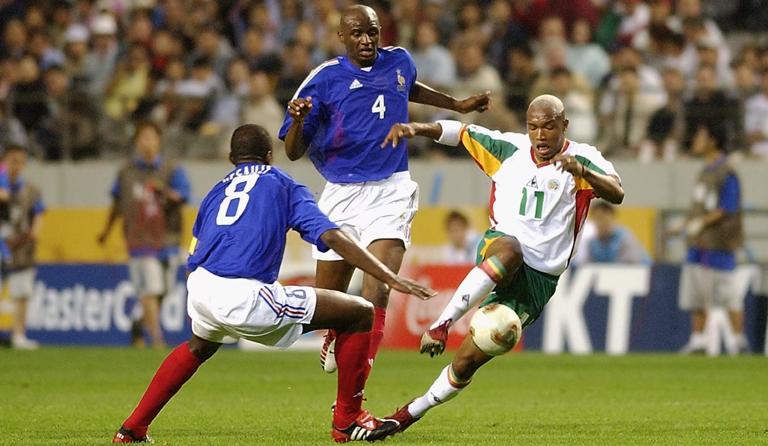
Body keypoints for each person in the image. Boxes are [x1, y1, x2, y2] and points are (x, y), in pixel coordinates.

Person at [111, 124, 436, 443]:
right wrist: (388, 276)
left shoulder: (216, 192)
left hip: (200, 287)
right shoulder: (282, 184)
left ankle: (132, 429)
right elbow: (333, 236)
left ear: (231, 158)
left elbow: (194, 251)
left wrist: (208, 301)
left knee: (199, 346)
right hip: (244, 296)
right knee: (360, 311)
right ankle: (348, 420)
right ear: (270, 155)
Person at [277, 5, 490, 442]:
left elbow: (408, 87)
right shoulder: (323, 80)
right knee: (331, 300)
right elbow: (293, 152)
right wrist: (298, 120)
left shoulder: (399, 60)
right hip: (340, 193)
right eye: (357, 34)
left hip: (391, 187)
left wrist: (457, 105)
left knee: (377, 290)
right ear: (341, 37)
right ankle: (335, 335)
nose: (366, 40)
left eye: (372, 32)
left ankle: (349, 409)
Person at [375, 94, 624, 437]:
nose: (540, 135)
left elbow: (617, 192)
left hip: (538, 280)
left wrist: (581, 171)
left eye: (549, 126)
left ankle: (408, 414)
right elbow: (460, 133)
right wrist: (417, 127)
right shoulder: (510, 151)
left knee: (467, 361)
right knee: (511, 251)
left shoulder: (583, 159)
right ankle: (441, 322)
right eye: (533, 127)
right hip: (501, 246)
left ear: (563, 126)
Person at [98, 121, 191, 348]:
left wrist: (164, 192)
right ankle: (157, 338)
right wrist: (106, 231)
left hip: (168, 237)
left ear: (159, 141)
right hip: (138, 239)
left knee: (164, 290)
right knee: (150, 288)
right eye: (143, 137)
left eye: (151, 137)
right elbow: (117, 204)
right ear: (136, 142)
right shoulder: (126, 172)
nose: (147, 142)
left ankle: (139, 324)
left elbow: (183, 197)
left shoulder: (172, 170)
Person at [677, 122, 746, 354]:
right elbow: (699, 206)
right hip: (698, 243)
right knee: (696, 293)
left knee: (729, 295)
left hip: (719, 243)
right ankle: (698, 340)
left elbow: (728, 207)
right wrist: (684, 225)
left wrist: (700, 224)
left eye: (700, 135)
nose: (696, 139)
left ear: (713, 140)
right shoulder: (705, 170)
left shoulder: (727, 172)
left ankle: (737, 342)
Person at [3, 145, 44, 349]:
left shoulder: (31, 191)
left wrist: (30, 237)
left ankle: (18, 334)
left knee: (22, 293)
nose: (16, 166)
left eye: (20, 161)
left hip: (21, 248)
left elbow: (38, 217)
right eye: (12, 161)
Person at [580, 200, 650, 264]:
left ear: (612, 216)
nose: (601, 222)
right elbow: (587, 265)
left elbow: (631, 264)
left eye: (604, 217)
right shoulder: (592, 242)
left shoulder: (624, 238)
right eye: (597, 217)